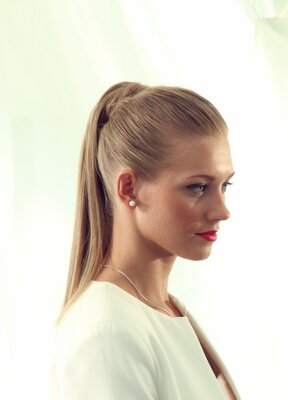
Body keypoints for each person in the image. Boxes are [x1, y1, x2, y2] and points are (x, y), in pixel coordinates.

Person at [51, 81, 240, 400]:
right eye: (197, 187)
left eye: (225, 186)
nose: (222, 211)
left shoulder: (163, 310)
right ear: (128, 189)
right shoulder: (109, 332)